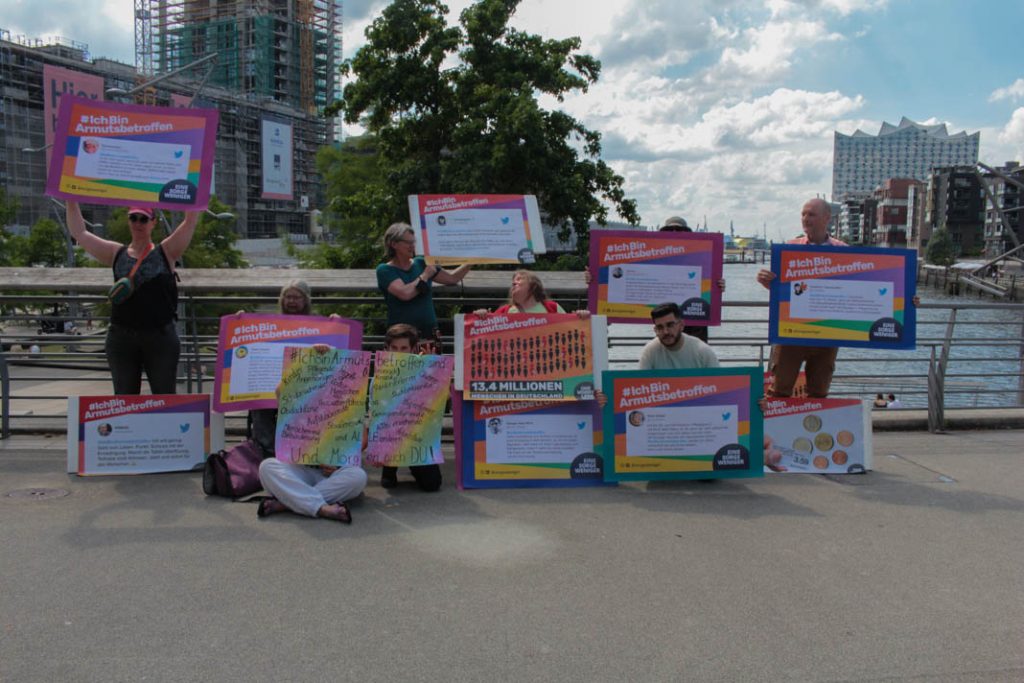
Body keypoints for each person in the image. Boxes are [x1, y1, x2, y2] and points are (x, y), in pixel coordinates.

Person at [66, 201, 200, 395]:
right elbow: (80, 233)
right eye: (133, 218)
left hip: (160, 337)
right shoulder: (115, 253)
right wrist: (70, 200)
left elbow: (190, 221)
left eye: (143, 219)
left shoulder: (167, 251)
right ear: (128, 221)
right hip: (122, 337)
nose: (138, 223)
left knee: (165, 397)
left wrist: (196, 186)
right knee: (124, 400)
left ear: (153, 223)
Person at [256, 341, 367, 524]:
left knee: (358, 477)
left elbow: (362, 436)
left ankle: (287, 502)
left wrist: (339, 464)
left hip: (331, 472)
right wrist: (308, 358)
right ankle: (321, 508)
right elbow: (279, 391)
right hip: (298, 468)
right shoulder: (298, 396)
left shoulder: (349, 398)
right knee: (267, 467)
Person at [756, 199, 846, 398]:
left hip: (827, 333)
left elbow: (860, 289)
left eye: (811, 214)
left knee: (819, 393)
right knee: (778, 390)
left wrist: (907, 301)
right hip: (792, 332)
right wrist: (768, 282)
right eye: (803, 214)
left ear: (826, 218)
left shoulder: (843, 250)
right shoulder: (789, 248)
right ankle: (775, 429)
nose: (805, 219)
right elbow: (782, 289)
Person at [376, 222, 471, 352]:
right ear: (394, 244)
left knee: (432, 372)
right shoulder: (384, 270)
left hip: (428, 331)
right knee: (401, 372)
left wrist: (472, 261)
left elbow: (452, 278)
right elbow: (405, 294)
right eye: (407, 242)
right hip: (400, 338)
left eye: (413, 242)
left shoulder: (421, 262)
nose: (412, 246)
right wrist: (425, 275)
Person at [375, 324, 444, 491]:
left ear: (413, 349)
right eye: (394, 348)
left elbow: (444, 399)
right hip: (391, 435)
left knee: (432, 485)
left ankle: (412, 463)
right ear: (387, 349)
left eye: (404, 348)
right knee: (388, 484)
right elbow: (376, 412)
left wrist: (434, 370)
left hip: (417, 438)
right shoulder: (380, 373)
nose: (399, 352)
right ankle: (389, 468)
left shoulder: (426, 367)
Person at [638, 302, 720, 370]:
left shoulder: (702, 351)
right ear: (655, 330)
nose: (665, 332)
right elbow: (641, 384)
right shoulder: (649, 352)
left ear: (681, 325)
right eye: (660, 327)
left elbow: (718, 384)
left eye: (670, 325)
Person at [475, 270, 589, 317]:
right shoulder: (504, 311)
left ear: (533, 286)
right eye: (513, 281)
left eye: (519, 279)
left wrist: (581, 317)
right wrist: (482, 316)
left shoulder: (552, 308)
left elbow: (571, 329)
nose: (514, 282)